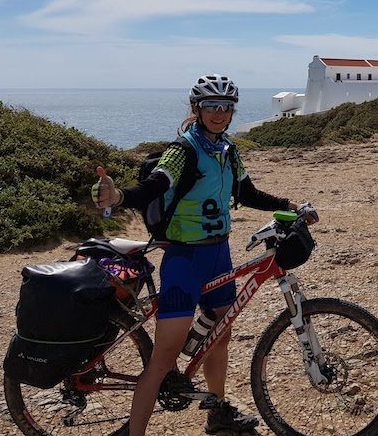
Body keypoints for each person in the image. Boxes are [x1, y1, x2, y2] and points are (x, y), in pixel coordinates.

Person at [93, 74, 314, 436]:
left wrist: (291, 206)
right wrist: (118, 199)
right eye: (211, 106)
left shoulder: (227, 149)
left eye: (226, 107)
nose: (219, 113)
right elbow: (156, 185)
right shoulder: (184, 150)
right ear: (197, 109)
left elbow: (249, 192)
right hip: (184, 260)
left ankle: (217, 414)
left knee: (219, 337)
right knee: (164, 358)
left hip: (218, 255)